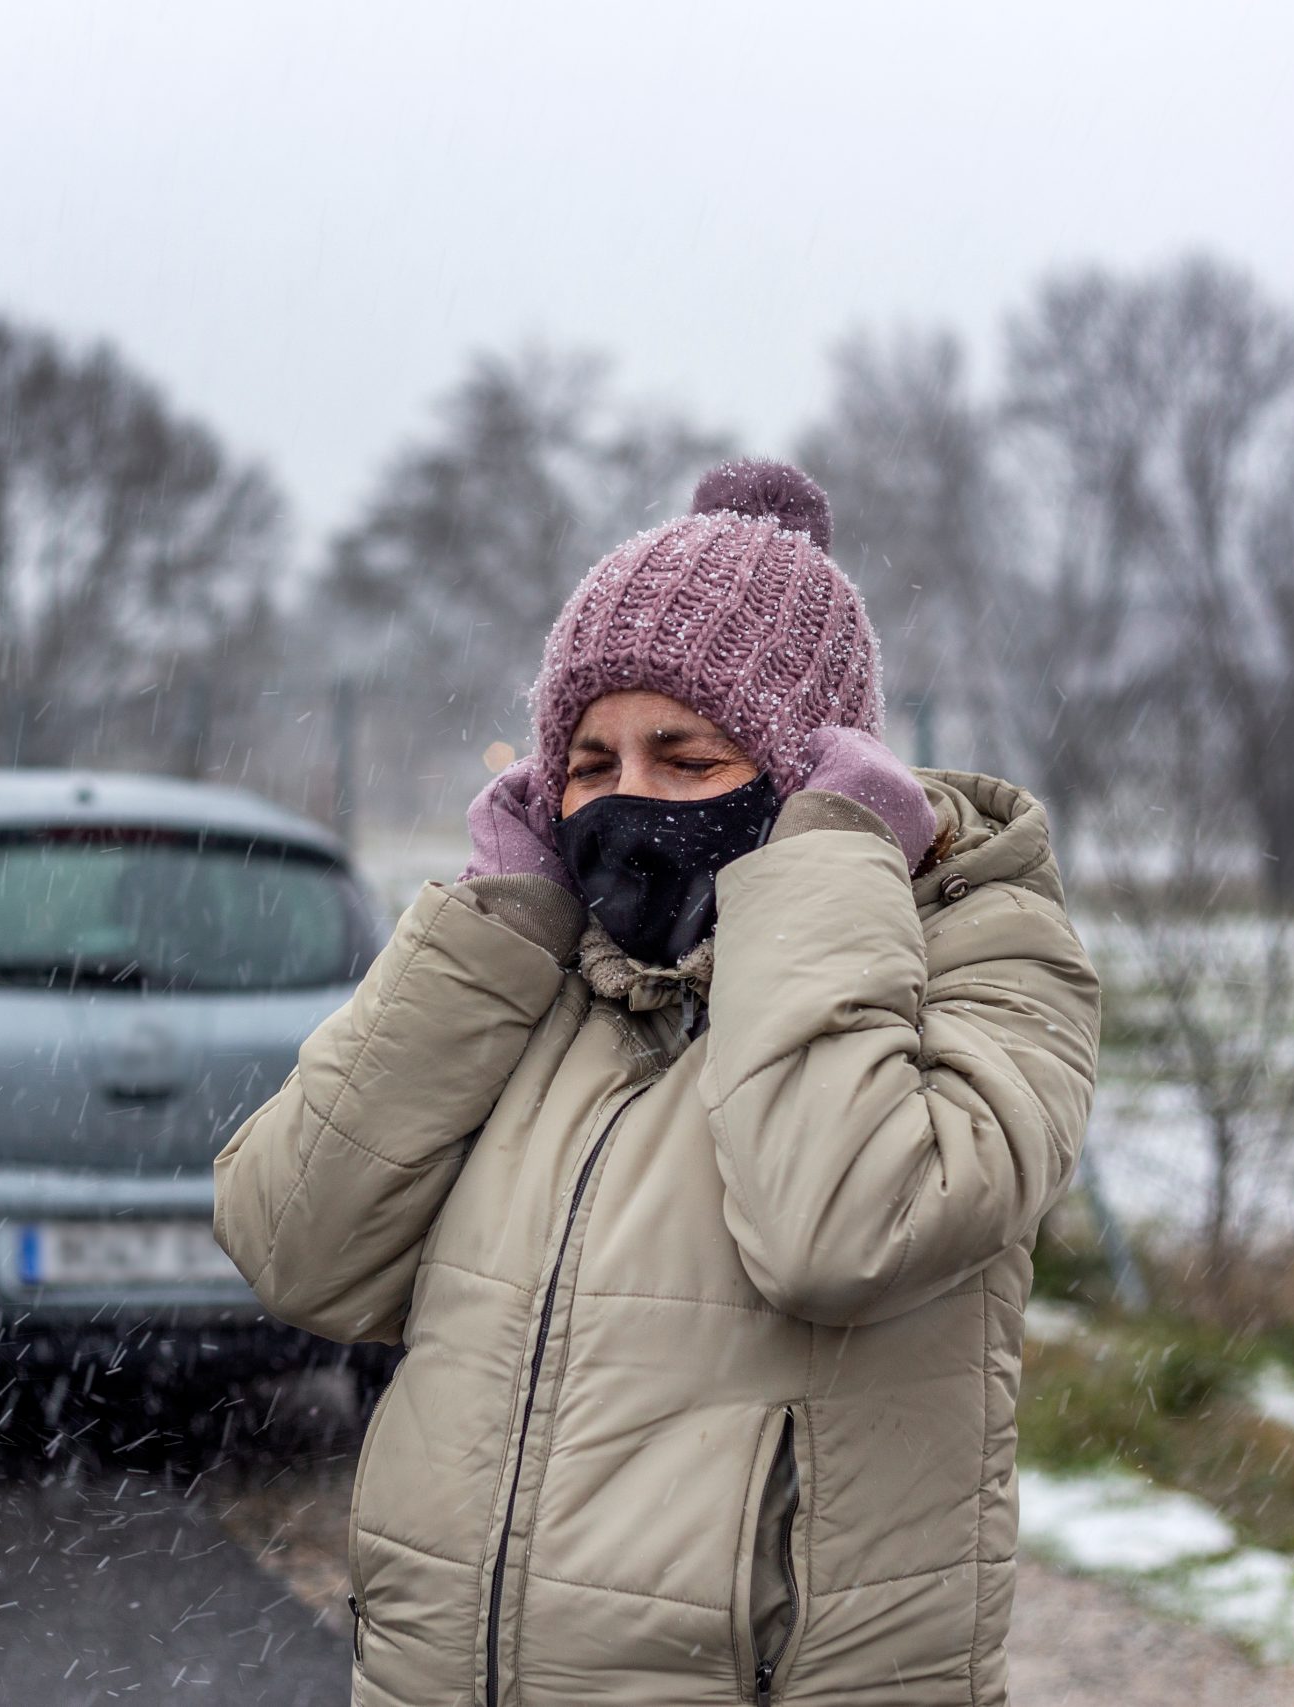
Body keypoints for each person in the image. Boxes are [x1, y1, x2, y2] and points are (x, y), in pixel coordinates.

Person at [215, 459, 1101, 1706]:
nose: (629, 802)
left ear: (810, 780)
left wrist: (819, 875)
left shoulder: (984, 956)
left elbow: (840, 1229)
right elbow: (293, 1244)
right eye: (588, 760)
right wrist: (493, 925)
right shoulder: (540, 971)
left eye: (686, 759)